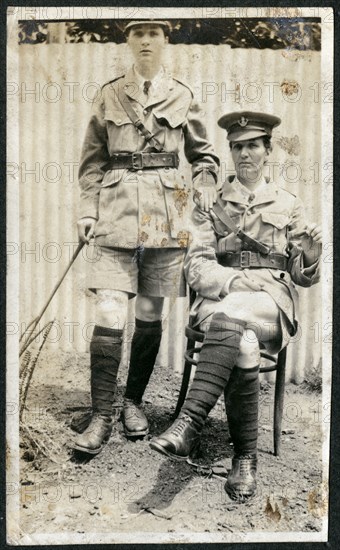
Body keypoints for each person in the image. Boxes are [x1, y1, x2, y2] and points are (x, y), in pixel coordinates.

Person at [150, 111, 322, 501]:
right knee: (241, 341)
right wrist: (230, 281)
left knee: (236, 319)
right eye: (237, 147)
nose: (245, 154)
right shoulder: (210, 203)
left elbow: (301, 275)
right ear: (230, 151)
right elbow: (195, 264)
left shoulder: (289, 204)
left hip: (270, 303)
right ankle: (245, 458)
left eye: (253, 146)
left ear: (268, 150)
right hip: (220, 298)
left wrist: (311, 255)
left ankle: (189, 422)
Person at [73, 20, 219, 454]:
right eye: (138, 34)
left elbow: (204, 155)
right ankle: (101, 415)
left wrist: (208, 178)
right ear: (129, 42)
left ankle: (132, 403)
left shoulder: (183, 95)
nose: (145, 41)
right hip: (115, 217)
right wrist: (86, 211)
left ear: (165, 41)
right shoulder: (109, 93)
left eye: (154, 34)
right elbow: (91, 162)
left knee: (151, 315)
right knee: (111, 309)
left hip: (166, 219)